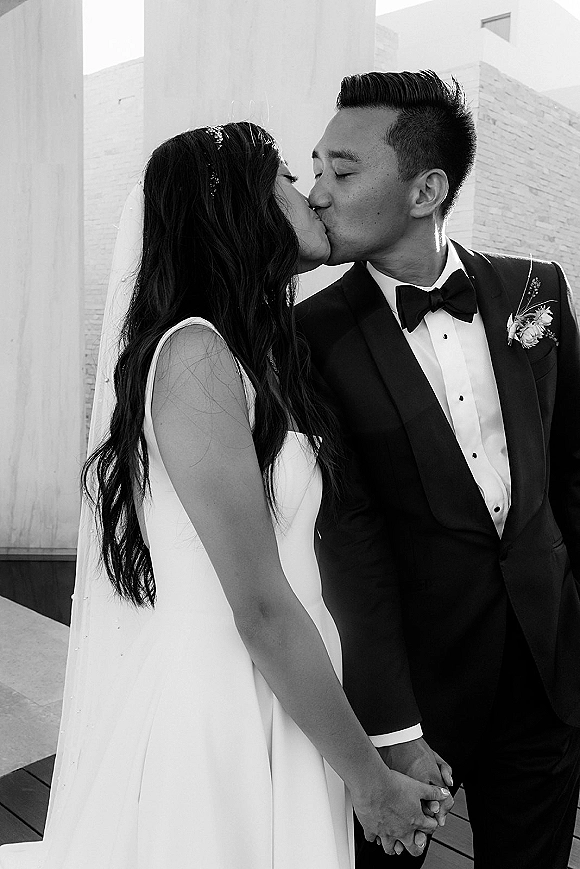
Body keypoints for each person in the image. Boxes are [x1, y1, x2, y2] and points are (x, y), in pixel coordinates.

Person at [0, 122, 449, 869]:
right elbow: (263, 606)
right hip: (226, 711)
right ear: (234, 205)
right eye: (283, 175)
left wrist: (384, 740)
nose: (309, 192)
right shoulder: (195, 355)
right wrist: (368, 783)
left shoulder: (259, 355)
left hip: (290, 701)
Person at [296, 71, 580, 869]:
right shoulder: (312, 334)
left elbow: (571, 470)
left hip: (546, 674)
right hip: (412, 693)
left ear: (427, 189)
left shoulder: (538, 289)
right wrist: (392, 727)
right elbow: (346, 540)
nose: (317, 192)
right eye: (316, 168)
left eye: (341, 171)